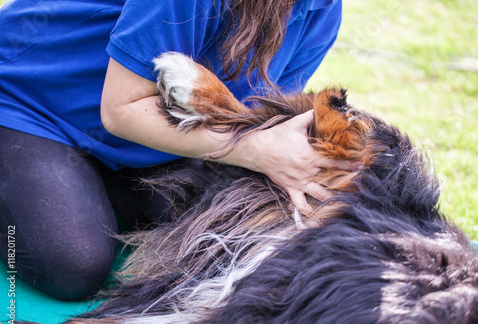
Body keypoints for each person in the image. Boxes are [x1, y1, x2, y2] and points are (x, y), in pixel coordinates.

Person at [0, 0, 343, 300]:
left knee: (211, 246)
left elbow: (251, 113)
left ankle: (92, 182)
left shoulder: (323, 10)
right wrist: (255, 150)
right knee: (72, 265)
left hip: (148, 137)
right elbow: (120, 110)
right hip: (31, 102)